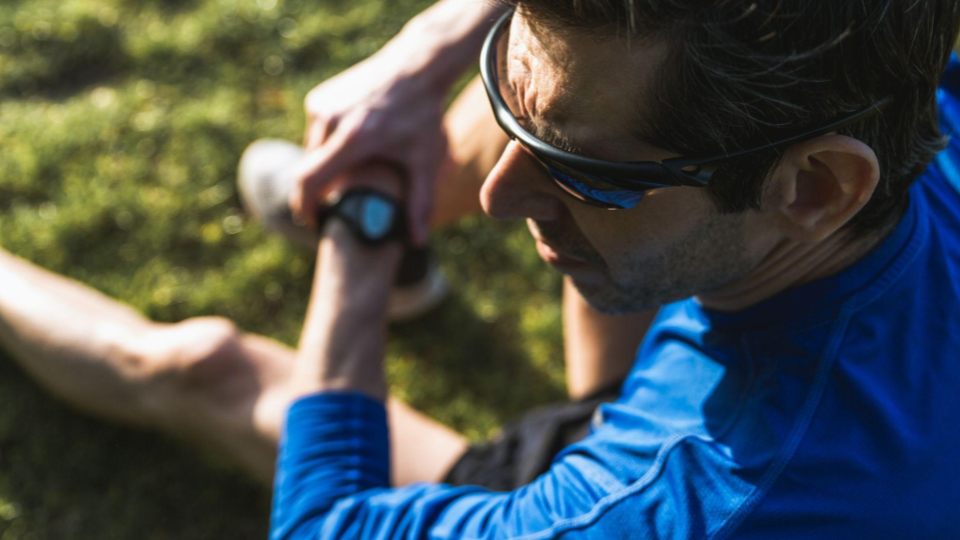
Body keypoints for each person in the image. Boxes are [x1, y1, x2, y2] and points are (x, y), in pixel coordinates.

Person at [269, 0, 960, 538]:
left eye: (588, 176)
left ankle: (376, 208)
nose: (498, 197)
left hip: (668, 449)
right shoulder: (884, 84)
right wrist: (423, 55)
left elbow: (323, 525)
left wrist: (360, 222)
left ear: (816, 188)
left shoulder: (695, 503)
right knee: (563, 92)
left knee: (208, 368)